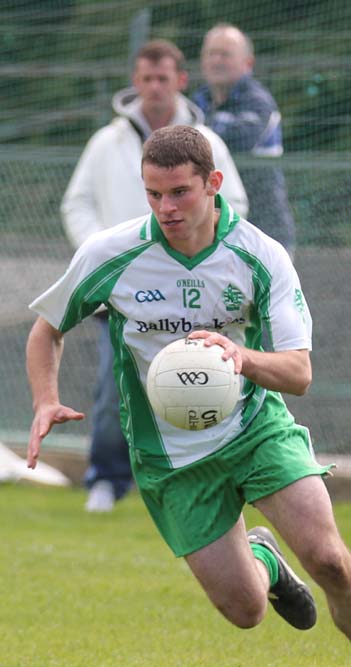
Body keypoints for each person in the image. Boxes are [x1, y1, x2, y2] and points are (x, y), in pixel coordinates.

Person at [27, 125, 351, 667]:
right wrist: (44, 399)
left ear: (214, 184)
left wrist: (241, 356)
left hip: (254, 428)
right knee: (245, 611)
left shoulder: (259, 255)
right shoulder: (112, 254)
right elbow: (48, 329)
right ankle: (263, 558)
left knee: (326, 557)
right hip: (172, 458)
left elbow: (298, 372)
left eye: (180, 192)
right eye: (154, 194)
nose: (166, 208)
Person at [60, 40, 248, 513]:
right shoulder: (106, 142)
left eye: (163, 78)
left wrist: (203, 255)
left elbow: (236, 208)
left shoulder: (210, 145)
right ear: (135, 82)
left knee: (206, 383)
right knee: (113, 394)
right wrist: (105, 257)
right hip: (125, 298)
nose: (154, 88)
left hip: (198, 298)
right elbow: (76, 204)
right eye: (145, 79)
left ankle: (207, 480)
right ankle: (107, 478)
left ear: (180, 81)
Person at [192, 23, 296, 254]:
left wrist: (198, 132)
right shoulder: (198, 101)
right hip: (217, 232)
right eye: (211, 53)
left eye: (225, 54)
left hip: (265, 231)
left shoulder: (259, 102)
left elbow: (234, 142)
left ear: (248, 63)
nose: (217, 60)